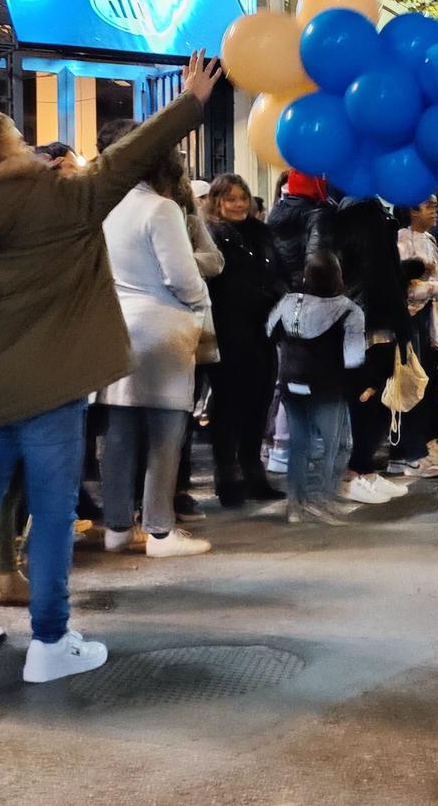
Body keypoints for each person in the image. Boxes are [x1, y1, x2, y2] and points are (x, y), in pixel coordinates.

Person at [0, 52, 220, 685]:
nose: (29, 146)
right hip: (51, 381)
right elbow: (125, 161)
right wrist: (190, 102)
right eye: (17, 139)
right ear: (4, 156)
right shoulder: (57, 200)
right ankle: (50, 640)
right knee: (54, 507)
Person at [94, 136, 213, 559]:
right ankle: (160, 530)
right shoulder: (160, 208)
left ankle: (117, 527)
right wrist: (200, 299)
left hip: (116, 324)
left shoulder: (107, 205)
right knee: (165, 435)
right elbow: (182, 277)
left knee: (118, 433)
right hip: (162, 329)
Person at [201, 174, 286, 507]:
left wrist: (278, 294)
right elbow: (225, 284)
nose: (238, 205)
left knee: (258, 406)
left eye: (242, 198)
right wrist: (263, 298)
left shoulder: (263, 232)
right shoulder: (214, 235)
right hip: (230, 330)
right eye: (230, 199)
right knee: (229, 409)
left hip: (263, 330)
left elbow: (280, 271)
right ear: (217, 202)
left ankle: (254, 473)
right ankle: (228, 478)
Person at [267, 251, 365, 526]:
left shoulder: (288, 303)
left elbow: (270, 332)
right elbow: (354, 357)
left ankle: (295, 504)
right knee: (336, 445)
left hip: (290, 382)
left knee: (300, 444)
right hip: (327, 387)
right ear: (338, 276)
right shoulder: (348, 310)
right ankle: (321, 500)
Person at [332, 195, 411, 505]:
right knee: (364, 397)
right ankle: (353, 472)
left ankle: (364, 470)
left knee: (376, 397)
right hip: (366, 320)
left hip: (377, 317)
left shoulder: (371, 213)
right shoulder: (358, 215)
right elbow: (368, 273)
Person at [395, 197, 438, 478]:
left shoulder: (428, 239)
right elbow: (410, 288)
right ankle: (406, 454)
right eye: (427, 205)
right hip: (408, 321)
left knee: (423, 385)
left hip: (426, 321)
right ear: (410, 208)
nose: (435, 210)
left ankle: (417, 449)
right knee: (409, 386)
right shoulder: (400, 240)